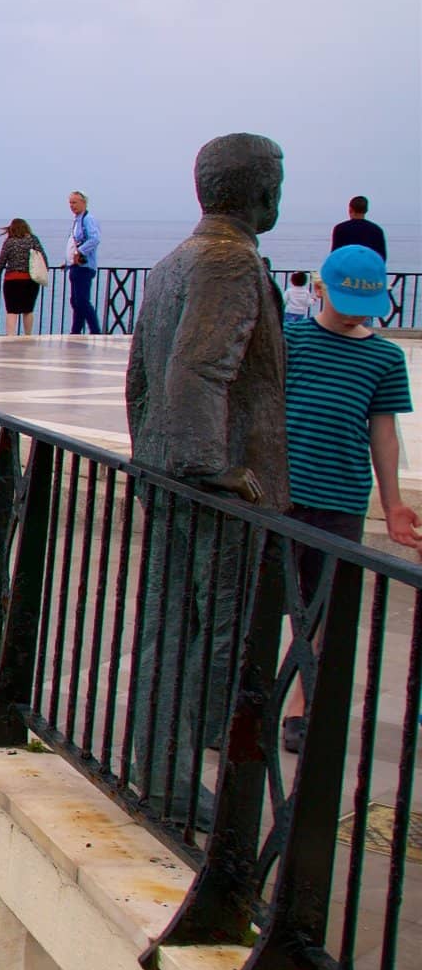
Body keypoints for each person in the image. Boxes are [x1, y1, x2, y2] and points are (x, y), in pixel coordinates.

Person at [124, 133, 290, 823]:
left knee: (168, 627)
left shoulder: (171, 262)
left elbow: (140, 381)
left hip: (167, 475)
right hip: (212, 490)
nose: (280, 191)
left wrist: (153, 458)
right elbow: (197, 368)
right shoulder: (230, 263)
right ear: (257, 189)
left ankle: (156, 767)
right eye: (276, 179)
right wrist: (213, 467)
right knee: (218, 632)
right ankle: (172, 774)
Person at [277, 242, 421, 753]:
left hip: (341, 500)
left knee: (319, 611)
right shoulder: (289, 341)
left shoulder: (383, 358)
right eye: (345, 299)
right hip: (280, 496)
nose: (357, 311)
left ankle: (299, 706)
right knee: (258, 602)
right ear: (320, 291)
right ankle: (245, 703)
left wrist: (393, 502)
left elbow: (384, 434)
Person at [0, 217, 48, 336]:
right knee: (28, 309)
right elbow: (42, 256)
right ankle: (28, 335)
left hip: (12, 280)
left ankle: (11, 336)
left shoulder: (9, 242)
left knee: (11, 310)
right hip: (30, 280)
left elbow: (2, 259)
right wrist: (45, 270)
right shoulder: (33, 240)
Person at [66, 191, 101, 334]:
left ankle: (95, 331)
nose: (72, 206)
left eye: (74, 202)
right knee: (76, 301)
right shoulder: (78, 220)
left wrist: (80, 252)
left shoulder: (88, 219)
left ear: (83, 203)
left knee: (82, 301)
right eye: (70, 203)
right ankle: (76, 331)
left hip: (84, 266)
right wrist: (68, 261)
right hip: (75, 266)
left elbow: (94, 239)